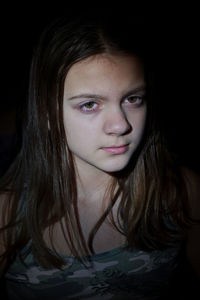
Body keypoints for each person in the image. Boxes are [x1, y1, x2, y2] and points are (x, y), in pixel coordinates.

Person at [0, 13, 200, 300]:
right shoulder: (8, 214)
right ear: (45, 113)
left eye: (133, 99)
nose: (120, 125)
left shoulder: (181, 191)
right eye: (90, 104)